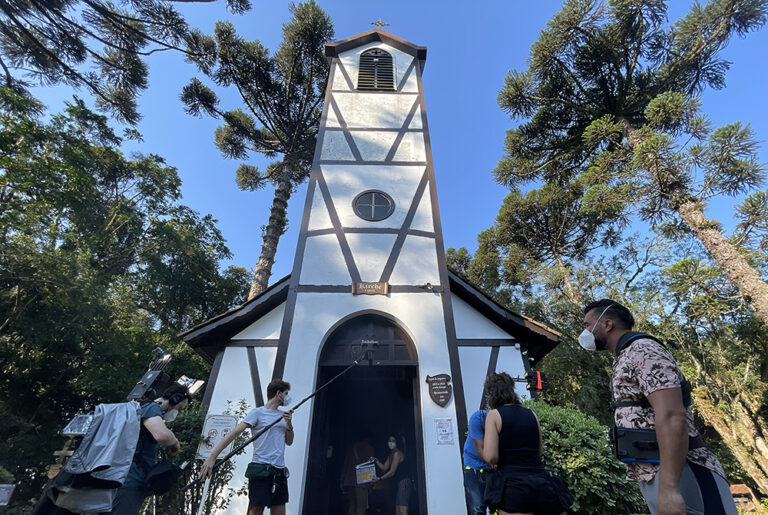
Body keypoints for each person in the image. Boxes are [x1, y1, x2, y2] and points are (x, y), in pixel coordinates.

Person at [580, 299, 737, 515]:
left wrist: (669, 488)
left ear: (607, 324)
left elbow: (672, 415)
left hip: (683, 470)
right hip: (654, 470)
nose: (585, 332)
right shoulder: (625, 355)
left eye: (587, 325)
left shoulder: (643, 350)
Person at [480, 372, 572, 515]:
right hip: (543, 483)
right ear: (511, 390)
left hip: (514, 487)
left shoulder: (494, 415)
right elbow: (539, 450)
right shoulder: (531, 414)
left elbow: (491, 457)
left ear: (491, 394)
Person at [200, 379, 294, 515]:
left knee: (279, 510)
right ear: (278, 393)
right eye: (286, 394)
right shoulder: (257, 413)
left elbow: (289, 442)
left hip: (279, 471)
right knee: (256, 510)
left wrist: (289, 424)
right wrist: (212, 457)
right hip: (261, 469)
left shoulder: (284, 416)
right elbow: (234, 433)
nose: (287, 397)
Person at [109, 384, 191, 515]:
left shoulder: (142, 408)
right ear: (174, 399)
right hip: (130, 480)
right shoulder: (152, 408)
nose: (178, 412)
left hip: (120, 477)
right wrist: (175, 442)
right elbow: (162, 436)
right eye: (179, 408)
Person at [371, 435, 412, 515]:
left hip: (404, 483)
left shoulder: (397, 453)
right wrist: (376, 460)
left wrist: (380, 478)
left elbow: (392, 472)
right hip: (400, 483)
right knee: (398, 511)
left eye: (393, 441)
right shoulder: (391, 454)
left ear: (397, 442)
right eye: (389, 441)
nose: (391, 443)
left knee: (402, 510)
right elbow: (384, 468)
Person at [463, 407, 490, 515]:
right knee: (477, 509)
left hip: (493, 467)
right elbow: (481, 450)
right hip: (474, 468)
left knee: (498, 508)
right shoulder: (479, 418)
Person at [340, 435, 375, 515]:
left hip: (350, 482)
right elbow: (369, 466)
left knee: (352, 506)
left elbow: (345, 465)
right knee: (360, 508)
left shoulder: (352, 448)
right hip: (361, 482)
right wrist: (371, 484)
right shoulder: (369, 448)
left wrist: (342, 480)